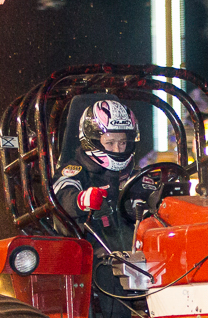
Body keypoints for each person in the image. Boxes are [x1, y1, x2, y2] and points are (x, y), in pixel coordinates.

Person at [51, 98, 145, 250]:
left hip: (137, 253)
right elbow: (60, 196)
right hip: (90, 253)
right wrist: (81, 200)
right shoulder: (75, 170)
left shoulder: (134, 175)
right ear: (92, 140)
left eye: (122, 143)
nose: (117, 149)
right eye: (110, 142)